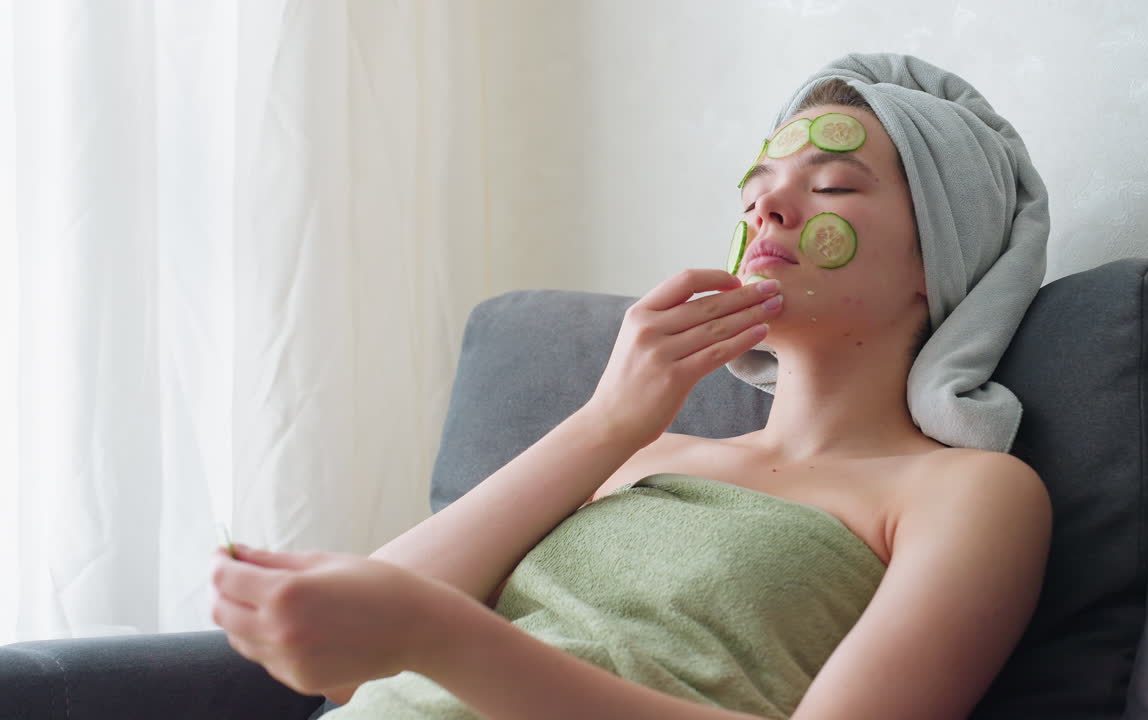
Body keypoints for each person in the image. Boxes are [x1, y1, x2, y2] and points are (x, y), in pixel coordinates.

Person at [211, 53, 1053, 719]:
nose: (769, 212)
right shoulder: (643, 453)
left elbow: (417, 627)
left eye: (831, 187)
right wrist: (606, 421)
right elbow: (355, 665)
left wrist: (449, 640)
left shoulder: (970, 492)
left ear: (938, 259)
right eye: (756, 195)